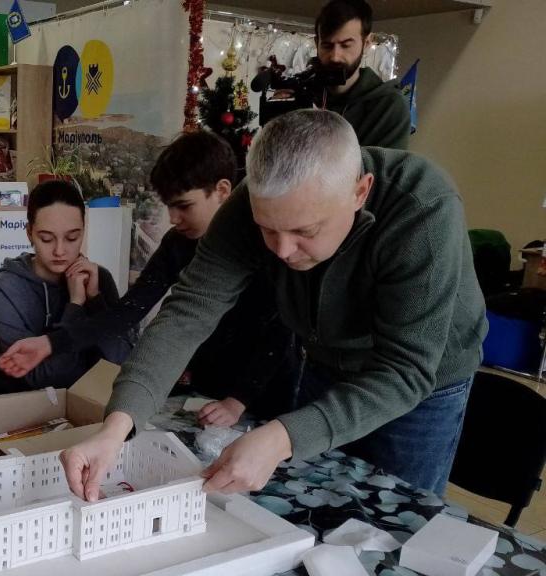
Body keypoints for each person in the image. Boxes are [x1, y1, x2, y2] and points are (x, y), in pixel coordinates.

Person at [61, 109, 486, 501]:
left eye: (305, 231)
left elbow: (406, 370)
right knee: (320, 499)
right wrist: (117, 426)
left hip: (421, 383)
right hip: (327, 361)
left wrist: (282, 436)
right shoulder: (251, 206)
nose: (282, 251)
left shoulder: (421, 209)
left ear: (360, 192)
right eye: (267, 230)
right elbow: (188, 312)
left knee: (394, 510)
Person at [0, 132, 296, 425]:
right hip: (205, 387)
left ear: (222, 190)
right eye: (169, 206)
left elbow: (281, 331)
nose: (173, 218)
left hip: (263, 392)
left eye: (184, 206)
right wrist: (50, 343)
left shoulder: (268, 243)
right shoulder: (177, 243)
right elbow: (129, 311)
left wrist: (238, 400)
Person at [0, 180, 130, 395]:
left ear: (83, 231)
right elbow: (45, 379)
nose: (60, 251)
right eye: (47, 239)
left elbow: (122, 363)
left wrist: (95, 300)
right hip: (23, 407)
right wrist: (75, 305)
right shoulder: (2, 290)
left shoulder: (97, 278)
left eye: (72, 238)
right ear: (29, 233)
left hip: (88, 404)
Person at [313, 0, 411, 150]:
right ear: (316, 43)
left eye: (346, 45)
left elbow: (382, 164)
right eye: (327, 45)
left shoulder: (388, 106)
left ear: (366, 44)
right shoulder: (302, 93)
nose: (335, 56)